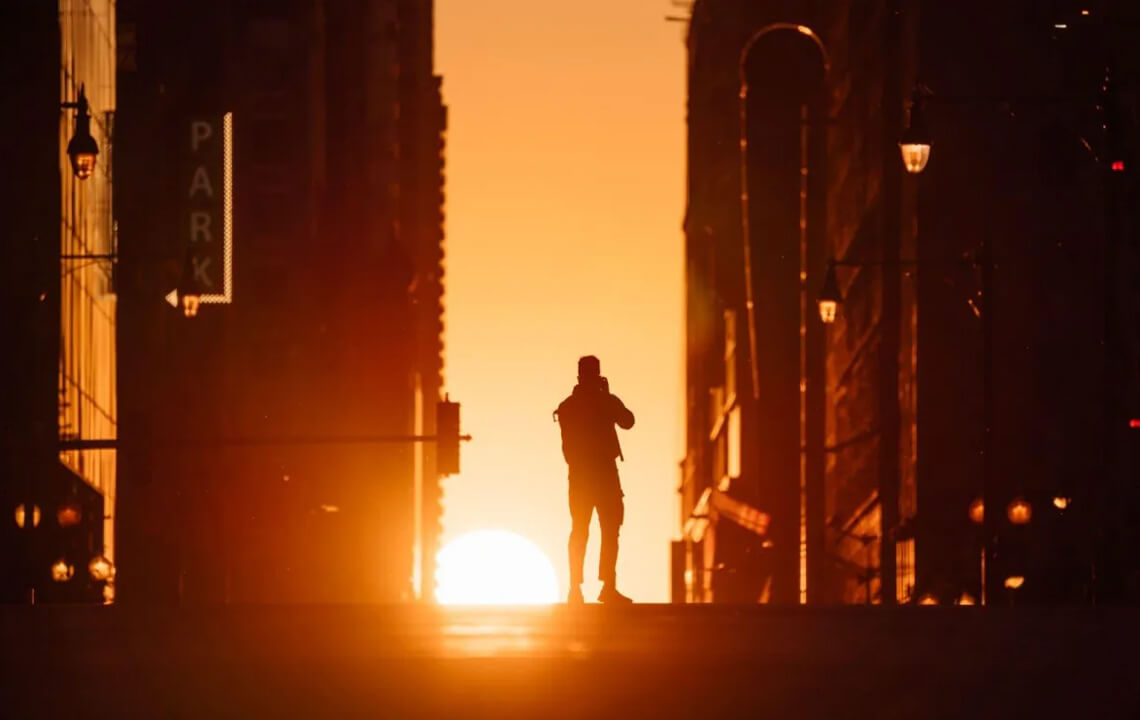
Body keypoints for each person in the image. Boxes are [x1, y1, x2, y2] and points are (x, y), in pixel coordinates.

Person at [555, 355, 635, 604]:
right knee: (607, 530)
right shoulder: (604, 401)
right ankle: (605, 586)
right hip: (601, 474)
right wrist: (607, 396)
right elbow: (628, 421)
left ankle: (577, 588)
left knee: (584, 530)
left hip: (581, 476)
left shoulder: (568, 405)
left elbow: (627, 422)